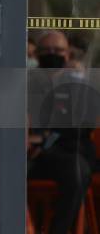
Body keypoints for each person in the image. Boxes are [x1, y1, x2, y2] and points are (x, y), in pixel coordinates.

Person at [27, 31, 94, 234]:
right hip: (27, 156)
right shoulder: (25, 83)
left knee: (77, 169)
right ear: (36, 55)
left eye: (58, 50)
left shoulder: (79, 86)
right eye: (46, 50)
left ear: (68, 55)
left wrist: (43, 141)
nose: (52, 54)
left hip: (64, 154)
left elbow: (82, 127)